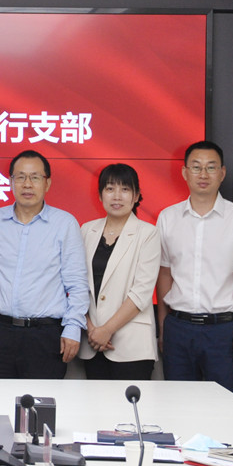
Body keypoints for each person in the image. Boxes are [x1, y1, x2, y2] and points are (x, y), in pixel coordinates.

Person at [155, 140, 233, 395]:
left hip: (223, 331)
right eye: (196, 167)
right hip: (178, 328)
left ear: (222, 173)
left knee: (224, 407)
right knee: (178, 405)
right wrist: (163, 328)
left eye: (211, 167)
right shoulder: (168, 217)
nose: (203, 174)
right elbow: (164, 273)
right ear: (185, 172)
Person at [0, 150, 89, 379]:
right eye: (20, 177)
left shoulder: (65, 224)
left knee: (43, 402)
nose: (27, 184)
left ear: (47, 183)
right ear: (10, 182)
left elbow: (76, 283)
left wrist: (73, 327)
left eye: (35, 177)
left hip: (47, 336)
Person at [78, 163, 160, 380]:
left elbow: (141, 292)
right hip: (91, 341)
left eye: (125, 189)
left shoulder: (148, 233)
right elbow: (76, 285)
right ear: (100, 195)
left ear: (136, 196)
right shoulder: (86, 230)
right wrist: (91, 329)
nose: (117, 196)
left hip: (131, 344)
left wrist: (107, 330)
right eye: (110, 188)